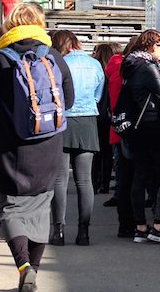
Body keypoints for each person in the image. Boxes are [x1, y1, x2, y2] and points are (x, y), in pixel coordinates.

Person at [0, 2, 74, 292]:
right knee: (41, 207)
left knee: (11, 207)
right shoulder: (53, 56)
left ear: (10, 25)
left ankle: (24, 266)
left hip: (9, 146)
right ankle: (34, 272)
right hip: (49, 143)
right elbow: (67, 100)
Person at [121, 29, 160, 244]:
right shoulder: (148, 67)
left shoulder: (131, 64)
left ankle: (140, 227)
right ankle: (159, 225)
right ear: (152, 45)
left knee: (140, 175)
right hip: (153, 125)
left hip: (137, 128)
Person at [49, 30, 104, 246]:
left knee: (60, 180)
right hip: (88, 120)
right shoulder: (95, 64)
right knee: (84, 180)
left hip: (62, 120)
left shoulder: (58, 64)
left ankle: (58, 231)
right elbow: (98, 95)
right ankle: (84, 232)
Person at [104, 37, 136, 237]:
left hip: (117, 127)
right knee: (132, 179)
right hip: (130, 129)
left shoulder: (115, 68)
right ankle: (130, 223)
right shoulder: (129, 70)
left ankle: (125, 224)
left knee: (125, 178)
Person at [91, 42, 120, 196]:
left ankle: (95, 182)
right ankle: (105, 183)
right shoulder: (113, 72)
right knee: (108, 152)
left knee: (97, 151)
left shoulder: (97, 72)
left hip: (97, 114)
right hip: (110, 115)